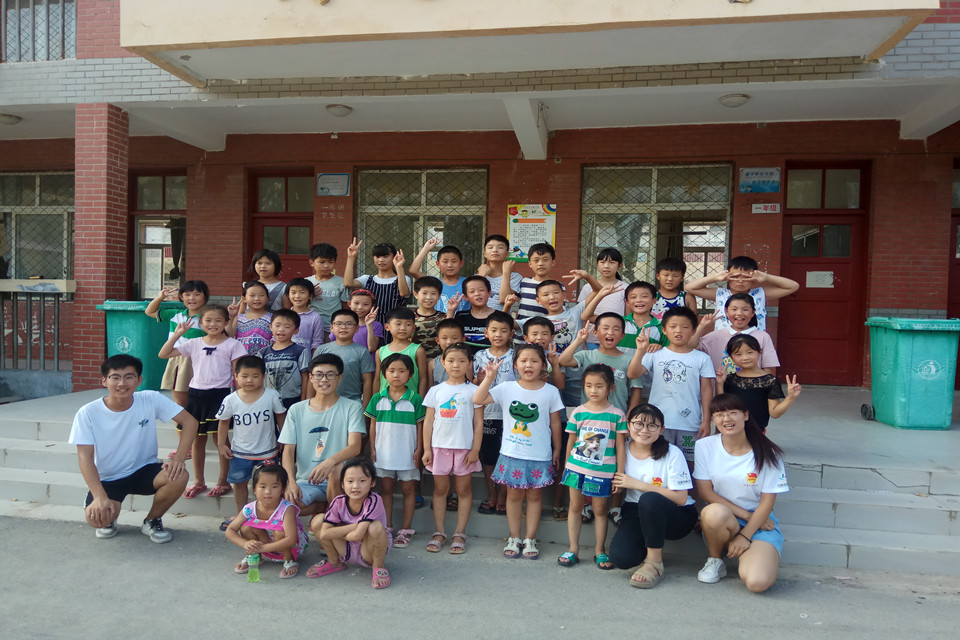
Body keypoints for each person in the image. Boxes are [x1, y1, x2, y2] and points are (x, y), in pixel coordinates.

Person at [69, 354, 199, 543]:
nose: (122, 383)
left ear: (139, 380)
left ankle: (152, 520)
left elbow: (190, 422)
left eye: (129, 377)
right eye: (115, 377)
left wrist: (179, 458)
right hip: (109, 478)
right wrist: (98, 496)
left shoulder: (150, 399)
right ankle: (108, 513)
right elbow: (85, 458)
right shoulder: (88, 412)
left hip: (144, 470)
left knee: (178, 475)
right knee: (98, 519)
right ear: (104, 381)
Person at [474, 344, 564, 560]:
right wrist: (489, 377)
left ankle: (530, 538)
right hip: (512, 454)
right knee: (513, 496)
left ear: (543, 365)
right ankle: (514, 537)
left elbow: (555, 423)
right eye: (523, 360)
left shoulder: (551, 391)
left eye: (534, 361)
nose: (528, 365)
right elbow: (478, 399)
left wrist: (557, 449)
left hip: (539, 456)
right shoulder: (506, 388)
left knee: (535, 496)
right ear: (515, 365)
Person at [694, 394, 789, 592]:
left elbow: (767, 502)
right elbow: (705, 492)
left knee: (757, 582)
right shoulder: (704, 446)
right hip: (724, 520)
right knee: (713, 512)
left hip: (760, 522)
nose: (726, 419)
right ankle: (715, 560)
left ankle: (748, 554)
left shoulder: (768, 453)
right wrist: (745, 516)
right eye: (719, 414)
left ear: (745, 415)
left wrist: (745, 535)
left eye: (732, 413)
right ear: (713, 420)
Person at [159, 304, 247, 499]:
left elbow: (239, 373)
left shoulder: (233, 345)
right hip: (196, 396)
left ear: (226, 322)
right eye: (208, 320)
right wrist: (177, 334)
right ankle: (199, 481)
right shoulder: (194, 342)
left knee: (220, 440)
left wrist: (240, 398)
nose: (212, 324)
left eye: (218, 320)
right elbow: (163, 354)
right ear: (201, 323)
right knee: (197, 441)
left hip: (220, 396)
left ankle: (223, 481)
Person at [609, 404, 697, 588]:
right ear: (628, 425)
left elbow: (681, 498)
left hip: (676, 514)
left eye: (652, 426)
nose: (644, 430)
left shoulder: (672, 453)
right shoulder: (621, 450)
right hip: (636, 510)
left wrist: (637, 484)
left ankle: (654, 563)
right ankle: (646, 547)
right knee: (621, 558)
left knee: (650, 499)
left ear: (661, 429)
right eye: (639, 424)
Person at [557, 364, 626, 570]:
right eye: (588, 385)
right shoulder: (578, 413)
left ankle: (599, 550)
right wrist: (567, 465)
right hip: (576, 469)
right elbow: (571, 441)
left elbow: (620, 447)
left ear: (611, 388)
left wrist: (620, 473)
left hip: (603, 472)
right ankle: (573, 549)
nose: (593, 390)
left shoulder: (617, 415)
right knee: (575, 507)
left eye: (599, 386)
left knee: (600, 510)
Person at [279, 354, 365, 516]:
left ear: (339, 378)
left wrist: (329, 462)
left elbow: (355, 447)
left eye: (330, 375)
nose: (324, 380)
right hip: (307, 481)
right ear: (311, 378)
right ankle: (323, 508)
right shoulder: (296, 410)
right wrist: (291, 482)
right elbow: (288, 451)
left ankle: (333, 517)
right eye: (319, 375)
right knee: (288, 506)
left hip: (342, 480)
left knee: (336, 467)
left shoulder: (352, 407)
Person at [627, 306, 715, 462]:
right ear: (664, 330)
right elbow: (632, 374)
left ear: (694, 331)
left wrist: (706, 420)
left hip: (690, 423)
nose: (678, 331)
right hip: (658, 424)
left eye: (685, 327)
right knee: (658, 460)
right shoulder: (655, 354)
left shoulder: (702, 358)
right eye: (673, 326)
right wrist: (640, 350)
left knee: (690, 463)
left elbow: (706, 390)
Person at [421, 344, 483, 553]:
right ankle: (439, 531)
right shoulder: (435, 391)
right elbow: (428, 422)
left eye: (462, 361)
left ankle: (459, 532)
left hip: (464, 448)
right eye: (451, 361)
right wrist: (427, 449)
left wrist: (475, 450)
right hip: (439, 448)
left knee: (463, 491)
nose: (456, 365)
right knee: (440, 490)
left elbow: (478, 423)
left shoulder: (474, 391)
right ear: (443, 363)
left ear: (470, 364)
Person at [215, 356, 287, 530]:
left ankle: (270, 516)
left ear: (263, 377)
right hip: (240, 452)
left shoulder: (272, 395)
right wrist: (222, 444)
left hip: (267, 451)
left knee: (271, 484)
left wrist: (283, 438)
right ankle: (241, 515)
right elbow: (223, 422)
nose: (249, 380)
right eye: (244, 376)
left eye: (255, 376)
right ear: (236, 376)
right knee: (239, 484)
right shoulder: (231, 399)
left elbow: (281, 416)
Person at [365, 353, 426, 548]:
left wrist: (419, 449)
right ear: (384, 374)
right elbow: (372, 426)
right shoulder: (377, 398)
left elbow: (421, 427)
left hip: (408, 452)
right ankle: (387, 526)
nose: (396, 375)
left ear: (410, 374)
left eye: (401, 371)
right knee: (386, 489)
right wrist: (372, 448)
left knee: (409, 490)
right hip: (384, 453)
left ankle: (406, 529)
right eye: (391, 371)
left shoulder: (415, 399)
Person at [306, 456, 393, 589]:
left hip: (368, 549)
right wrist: (355, 526)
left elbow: (357, 536)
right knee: (318, 520)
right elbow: (324, 534)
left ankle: (378, 567)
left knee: (375, 527)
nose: (355, 486)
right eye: (350, 481)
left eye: (362, 481)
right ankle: (335, 562)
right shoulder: (338, 501)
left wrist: (335, 532)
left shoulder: (374, 501)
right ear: (342, 484)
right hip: (345, 548)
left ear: (373, 483)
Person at [145, 279, 208, 458]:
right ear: (181, 297)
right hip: (178, 361)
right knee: (179, 406)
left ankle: (197, 444)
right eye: (187, 294)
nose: (191, 298)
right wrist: (160, 297)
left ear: (205, 297)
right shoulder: (175, 314)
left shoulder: (208, 316)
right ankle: (185, 447)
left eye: (197, 294)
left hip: (202, 362)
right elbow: (149, 311)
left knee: (198, 404)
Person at [225, 464, 307, 579]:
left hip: (289, 546)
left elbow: (291, 539)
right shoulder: (249, 509)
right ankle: (256, 556)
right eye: (262, 487)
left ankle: (290, 560)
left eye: (274, 486)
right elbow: (230, 530)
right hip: (263, 544)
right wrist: (245, 544)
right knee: (245, 527)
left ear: (283, 489)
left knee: (280, 532)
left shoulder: (287, 509)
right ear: (254, 489)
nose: (268, 492)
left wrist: (263, 548)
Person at [472, 311, 516, 516]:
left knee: (507, 456)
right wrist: (478, 380)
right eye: (494, 330)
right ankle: (492, 494)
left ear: (511, 334)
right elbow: (472, 385)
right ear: (486, 333)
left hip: (511, 416)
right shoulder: (479, 356)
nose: (498, 334)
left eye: (504, 331)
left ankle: (503, 496)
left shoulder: (516, 356)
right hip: (487, 414)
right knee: (489, 458)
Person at [685, 255, 799, 331]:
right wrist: (715, 277)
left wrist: (766, 277)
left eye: (746, 277)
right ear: (727, 276)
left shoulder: (760, 294)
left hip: (753, 346)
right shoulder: (721, 294)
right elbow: (690, 287)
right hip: (724, 346)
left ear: (754, 277)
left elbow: (793, 286)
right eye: (735, 276)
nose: (740, 280)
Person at [716, 334, 802, 431]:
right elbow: (721, 407)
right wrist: (719, 383)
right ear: (731, 357)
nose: (745, 357)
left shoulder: (769, 381)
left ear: (759, 352)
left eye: (750, 352)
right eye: (738, 354)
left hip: (756, 432)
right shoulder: (730, 379)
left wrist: (790, 397)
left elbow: (774, 413)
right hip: (730, 431)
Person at [696, 293, 780, 375]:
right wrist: (702, 326)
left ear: (753, 312)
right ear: (726, 311)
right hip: (720, 384)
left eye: (745, 309)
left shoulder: (763, 337)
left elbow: (768, 369)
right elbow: (691, 346)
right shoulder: (715, 336)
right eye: (734, 309)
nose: (739, 313)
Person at [312, 308, 375, 408]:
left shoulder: (362, 351)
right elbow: (313, 377)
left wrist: (365, 407)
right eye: (338, 324)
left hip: (352, 402)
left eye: (349, 324)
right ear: (331, 327)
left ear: (357, 328)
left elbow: (367, 381)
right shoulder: (321, 350)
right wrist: (309, 401)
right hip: (323, 403)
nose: (343, 327)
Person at [343, 237, 412, 328]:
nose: (381, 260)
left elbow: (404, 293)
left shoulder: (403, 278)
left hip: (395, 325)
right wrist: (351, 257)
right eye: (378, 257)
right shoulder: (367, 279)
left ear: (394, 257)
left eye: (385, 256)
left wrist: (399, 267)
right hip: (371, 324)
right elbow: (348, 283)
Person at [261, 309, 311, 410]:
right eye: (277, 325)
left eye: (287, 327)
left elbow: (305, 376)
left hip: (293, 399)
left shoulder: (300, 351)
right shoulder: (263, 352)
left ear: (296, 330)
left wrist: (303, 401)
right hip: (268, 400)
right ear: (271, 327)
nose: (281, 330)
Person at [578, 248, 626, 348]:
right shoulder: (588, 287)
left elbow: (627, 317)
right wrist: (582, 342)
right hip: (590, 339)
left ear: (620, 265)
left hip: (616, 341)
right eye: (602, 262)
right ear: (597, 264)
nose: (606, 266)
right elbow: (581, 315)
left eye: (612, 262)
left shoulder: (625, 288)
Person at [375, 307, 427, 397]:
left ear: (413, 327)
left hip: (410, 400)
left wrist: (420, 401)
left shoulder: (418, 350)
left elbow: (423, 378)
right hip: (384, 400)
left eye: (408, 324)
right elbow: (377, 379)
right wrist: (375, 400)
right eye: (398, 324)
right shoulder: (380, 351)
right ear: (387, 327)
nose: (403, 328)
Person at [409, 238, 469, 313]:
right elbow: (413, 271)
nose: (450, 265)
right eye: (445, 262)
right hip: (437, 320)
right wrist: (426, 248)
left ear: (461, 263)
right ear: (438, 264)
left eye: (454, 261)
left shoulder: (468, 283)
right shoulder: (433, 282)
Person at [448, 275, 499, 357]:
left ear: (489, 293)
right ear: (466, 297)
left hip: (490, 360)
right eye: (472, 291)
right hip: (465, 360)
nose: (477, 294)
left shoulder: (498, 316)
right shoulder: (461, 316)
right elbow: (448, 333)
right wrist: (451, 311)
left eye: (481, 290)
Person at [306, 242, 349, 327]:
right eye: (321, 262)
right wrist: (310, 294)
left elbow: (345, 307)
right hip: (310, 326)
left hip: (333, 328)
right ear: (311, 262)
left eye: (330, 262)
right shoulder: (306, 282)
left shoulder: (341, 282)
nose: (326, 266)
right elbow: (299, 305)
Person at [477, 234, 522, 312]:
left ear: (507, 254)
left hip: (501, 318)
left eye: (500, 247)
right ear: (485, 254)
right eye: (490, 247)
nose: (495, 250)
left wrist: (506, 273)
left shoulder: (515, 277)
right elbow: (472, 299)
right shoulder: (479, 276)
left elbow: (504, 300)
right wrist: (481, 276)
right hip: (480, 318)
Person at [514, 242, 559, 321]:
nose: (540, 264)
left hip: (544, 327)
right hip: (522, 327)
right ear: (530, 264)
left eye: (545, 260)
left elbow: (558, 312)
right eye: (536, 260)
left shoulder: (557, 286)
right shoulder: (524, 282)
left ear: (553, 263)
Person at [226, 281, 273, 355]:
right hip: (242, 359)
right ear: (244, 299)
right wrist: (231, 317)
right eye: (252, 295)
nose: (257, 298)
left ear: (267, 298)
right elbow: (228, 336)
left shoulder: (273, 318)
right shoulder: (239, 318)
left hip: (264, 358)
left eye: (261, 295)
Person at [330, 288, 382, 353]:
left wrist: (369, 325)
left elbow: (372, 348)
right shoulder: (341, 324)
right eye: (356, 303)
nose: (360, 307)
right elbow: (333, 344)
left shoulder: (376, 325)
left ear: (372, 306)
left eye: (365, 304)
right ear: (349, 303)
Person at [286, 277, 325, 352]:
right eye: (293, 292)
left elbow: (317, 342)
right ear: (288, 295)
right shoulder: (284, 315)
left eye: (302, 292)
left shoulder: (315, 317)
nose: (297, 296)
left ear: (310, 296)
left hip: (306, 356)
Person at [411, 275, 445, 360]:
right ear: (416, 294)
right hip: (413, 359)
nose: (429, 297)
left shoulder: (444, 317)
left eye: (433, 294)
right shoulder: (408, 316)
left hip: (437, 361)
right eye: (424, 293)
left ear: (439, 296)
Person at [427, 318, 466, 387]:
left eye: (454, 338)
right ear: (437, 340)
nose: (449, 342)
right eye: (444, 338)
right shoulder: (432, 364)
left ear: (463, 340)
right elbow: (430, 388)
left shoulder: (467, 363)